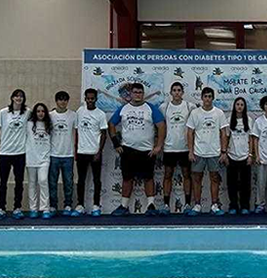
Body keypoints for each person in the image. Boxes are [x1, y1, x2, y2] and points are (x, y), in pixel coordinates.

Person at [107, 82, 164, 216]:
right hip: (128, 150)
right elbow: (111, 124)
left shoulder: (151, 108)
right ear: (130, 94)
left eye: (140, 92)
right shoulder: (124, 108)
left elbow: (161, 125)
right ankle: (123, 206)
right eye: (135, 92)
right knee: (127, 178)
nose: (138, 95)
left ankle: (151, 206)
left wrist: (158, 146)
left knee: (148, 178)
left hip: (146, 150)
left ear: (143, 94)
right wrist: (116, 143)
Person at [186, 86, 228, 216]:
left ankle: (214, 205)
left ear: (213, 98)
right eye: (205, 97)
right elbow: (190, 133)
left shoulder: (219, 113)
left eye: (210, 96)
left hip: (214, 152)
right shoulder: (195, 113)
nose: (208, 99)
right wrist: (191, 151)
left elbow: (223, 133)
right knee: (196, 179)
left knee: (214, 179)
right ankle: (197, 205)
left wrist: (223, 151)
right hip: (198, 152)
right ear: (202, 98)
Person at [0, 89, 28, 219]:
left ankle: (17, 208)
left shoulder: (27, 112)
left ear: (24, 99)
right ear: (12, 98)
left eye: (21, 96)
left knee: (19, 182)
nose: (19, 98)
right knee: (3, 182)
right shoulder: (3, 112)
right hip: (5, 153)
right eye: (16, 96)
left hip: (20, 153)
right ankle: (1, 208)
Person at [159, 81, 194, 214]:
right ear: (171, 92)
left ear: (182, 92)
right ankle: (166, 204)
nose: (177, 92)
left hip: (184, 148)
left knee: (187, 175)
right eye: (174, 90)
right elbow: (160, 127)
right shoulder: (164, 107)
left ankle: (187, 204)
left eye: (179, 90)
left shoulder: (189, 106)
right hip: (169, 147)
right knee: (167, 175)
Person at [74, 88, 107, 217]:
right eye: (88, 98)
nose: (90, 101)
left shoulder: (100, 114)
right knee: (81, 180)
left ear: (96, 99)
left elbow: (104, 134)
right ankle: (80, 205)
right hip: (82, 152)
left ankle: (96, 205)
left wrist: (99, 151)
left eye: (92, 98)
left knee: (96, 180)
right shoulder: (79, 112)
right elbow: (76, 132)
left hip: (95, 152)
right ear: (85, 99)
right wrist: (76, 149)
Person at [47, 90, 76, 218]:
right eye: (60, 99)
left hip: (68, 155)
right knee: (52, 182)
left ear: (67, 101)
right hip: (53, 155)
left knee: (68, 182)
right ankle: (53, 205)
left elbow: (79, 133)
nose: (62, 102)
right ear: (56, 101)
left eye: (65, 99)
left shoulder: (73, 115)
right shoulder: (50, 115)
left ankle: (68, 205)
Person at [225, 96, 253, 215]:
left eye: (242, 104)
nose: (239, 106)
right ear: (234, 106)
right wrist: (225, 154)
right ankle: (233, 205)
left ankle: (245, 205)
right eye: (237, 104)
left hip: (245, 156)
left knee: (245, 184)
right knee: (232, 184)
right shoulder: (228, 120)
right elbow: (226, 138)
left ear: (244, 107)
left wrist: (251, 155)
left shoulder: (249, 120)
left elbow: (251, 139)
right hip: (232, 156)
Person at [25, 102, 53, 219]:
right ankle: (33, 209)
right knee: (32, 183)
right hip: (31, 158)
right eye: (38, 111)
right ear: (34, 113)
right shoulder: (28, 124)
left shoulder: (49, 125)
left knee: (43, 180)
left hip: (44, 159)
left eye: (42, 111)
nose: (40, 113)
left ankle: (45, 208)